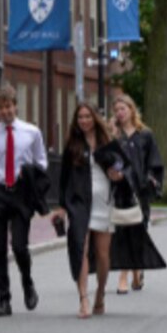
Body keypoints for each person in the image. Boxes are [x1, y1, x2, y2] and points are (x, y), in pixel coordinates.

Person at [0, 83, 48, 317]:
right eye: (0, 108)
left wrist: (27, 172)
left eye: (8, 107)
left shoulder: (32, 132)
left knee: (19, 246)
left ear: (15, 106)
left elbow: (42, 162)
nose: (5, 112)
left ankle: (27, 283)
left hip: (21, 192)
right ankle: (4, 299)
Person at [55, 102, 125, 319]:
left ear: (95, 118)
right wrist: (61, 207)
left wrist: (118, 175)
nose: (84, 121)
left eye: (87, 116)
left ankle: (100, 294)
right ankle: (83, 299)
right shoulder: (73, 146)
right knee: (79, 247)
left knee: (103, 255)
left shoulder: (108, 142)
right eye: (80, 117)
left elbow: (122, 168)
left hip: (103, 201)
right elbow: (63, 177)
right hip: (78, 201)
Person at [111, 94, 164, 294]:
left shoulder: (145, 135)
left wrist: (151, 180)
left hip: (140, 192)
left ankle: (135, 270)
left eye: (123, 109)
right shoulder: (115, 136)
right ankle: (124, 275)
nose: (119, 113)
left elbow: (155, 162)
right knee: (123, 233)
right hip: (121, 190)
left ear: (132, 110)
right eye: (116, 110)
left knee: (138, 231)